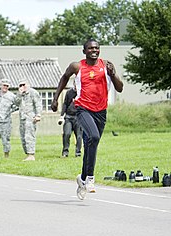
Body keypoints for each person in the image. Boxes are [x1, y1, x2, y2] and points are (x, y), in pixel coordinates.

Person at [51, 39, 123, 200]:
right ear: (84, 51)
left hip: (101, 111)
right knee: (94, 137)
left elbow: (120, 87)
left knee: (92, 144)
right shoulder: (77, 66)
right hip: (83, 109)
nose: (94, 50)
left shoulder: (107, 65)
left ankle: (82, 179)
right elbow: (64, 78)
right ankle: (90, 179)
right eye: (90, 48)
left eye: (96, 48)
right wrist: (55, 98)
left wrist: (113, 74)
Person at [15, 79, 42, 161]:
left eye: (24, 85)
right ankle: (27, 154)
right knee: (23, 137)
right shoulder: (20, 94)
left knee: (29, 136)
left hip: (30, 118)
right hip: (22, 118)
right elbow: (16, 103)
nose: (23, 87)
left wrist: (38, 115)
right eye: (20, 85)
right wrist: (19, 94)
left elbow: (38, 104)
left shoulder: (33, 93)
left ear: (28, 84)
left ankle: (31, 154)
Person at [57, 80, 82, 158]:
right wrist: (61, 116)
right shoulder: (69, 93)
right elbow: (65, 104)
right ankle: (65, 152)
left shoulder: (82, 93)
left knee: (79, 136)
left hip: (79, 117)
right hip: (68, 117)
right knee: (67, 134)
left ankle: (78, 153)